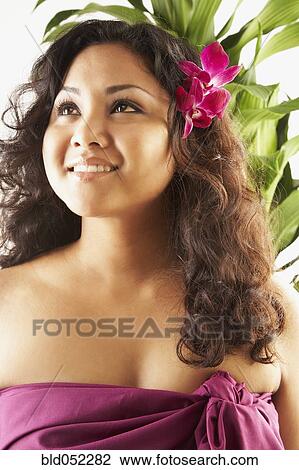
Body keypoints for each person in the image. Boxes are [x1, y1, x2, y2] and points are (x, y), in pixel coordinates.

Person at [0, 19, 298, 450]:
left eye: (124, 106)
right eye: (67, 109)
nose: (85, 135)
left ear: (186, 136)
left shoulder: (272, 310)